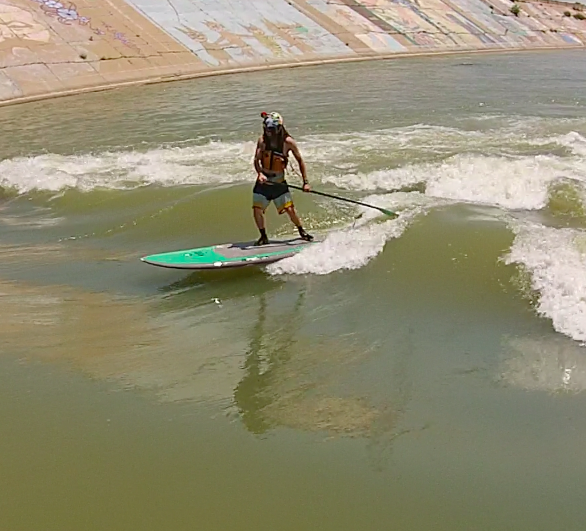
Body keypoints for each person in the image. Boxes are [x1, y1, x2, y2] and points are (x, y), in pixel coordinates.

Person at [252, 111, 313, 246]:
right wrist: (259, 174)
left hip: (279, 182)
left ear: (279, 128)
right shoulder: (262, 141)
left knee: (290, 209)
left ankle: (301, 231)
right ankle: (263, 236)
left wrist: (305, 182)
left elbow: (300, 161)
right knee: (257, 209)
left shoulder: (288, 142)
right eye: (267, 129)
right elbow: (256, 160)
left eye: (271, 129)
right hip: (263, 182)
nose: (268, 132)